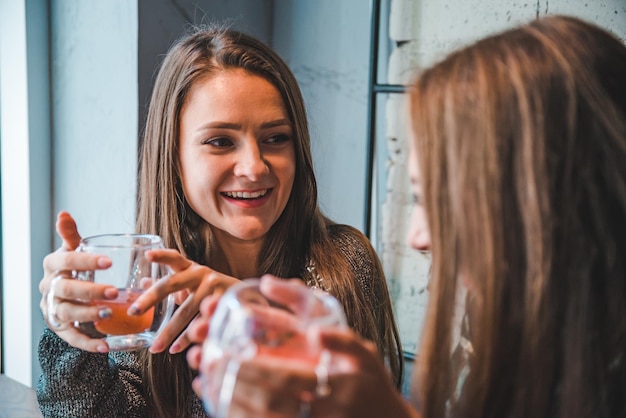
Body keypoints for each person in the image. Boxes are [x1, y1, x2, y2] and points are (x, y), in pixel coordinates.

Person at [186, 15, 626, 418]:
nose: (417, 237)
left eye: (444, 199)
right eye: (219, 142)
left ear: (549, 200)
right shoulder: (528, 350)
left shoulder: (344, 257)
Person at [37, 26, 403, 418]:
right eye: (221, 142)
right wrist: (72, 334)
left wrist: (245, 313)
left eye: (276, 138)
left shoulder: (346, 261)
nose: (254, 167)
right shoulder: (148, 293)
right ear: (173, 157)